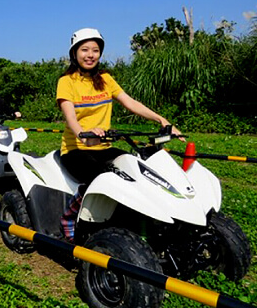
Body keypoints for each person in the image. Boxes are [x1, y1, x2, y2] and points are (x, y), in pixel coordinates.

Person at [57, 28, 184, 243]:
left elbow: (130, 103)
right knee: (100, 177)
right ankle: (69, 219)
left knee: (135, 168)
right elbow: (70, 116)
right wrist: (83, 134)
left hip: (104, 147)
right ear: (74, 53)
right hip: (75, 150)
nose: (90, 55)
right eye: (84, 49)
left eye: (95, 50)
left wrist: (162, 120)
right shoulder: (66, 81)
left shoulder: (106, 79)